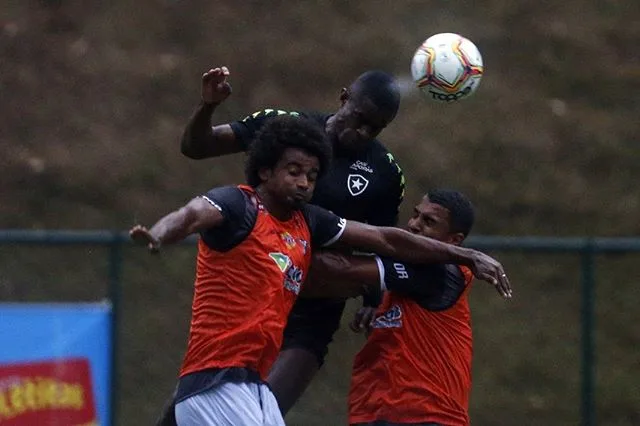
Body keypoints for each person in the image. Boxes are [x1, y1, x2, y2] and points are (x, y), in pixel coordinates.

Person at [132, 115, 509, 426]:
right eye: (294, 171)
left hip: (251, 385)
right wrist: (159, 234)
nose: (303, 182)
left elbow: (381, 238)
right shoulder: (237, 204)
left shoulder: (309, 223)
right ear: (264, 170)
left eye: (312, 176)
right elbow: (192, 214)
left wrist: (465, 257)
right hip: (217, 380)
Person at [180, 65, 408, 413]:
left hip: (314, 311)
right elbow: (196, 147)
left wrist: (373, 299)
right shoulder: (285, 128)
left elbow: (381, 240)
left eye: (375, 128)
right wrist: (208, 106)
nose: (362, 131)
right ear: (344, 97)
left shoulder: (385, 173)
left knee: (262, 412)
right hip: (252, 300)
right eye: (359, 117)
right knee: (198, 406)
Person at [305, 189, 507, 426]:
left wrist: (307, 224)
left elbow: (339, 268)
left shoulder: (442, 273)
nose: (413, 225)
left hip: (429, 417)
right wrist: (373, 302)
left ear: (454, 241)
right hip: (373, 412)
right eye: (415, 215)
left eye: (428, 222)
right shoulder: (397, 283)